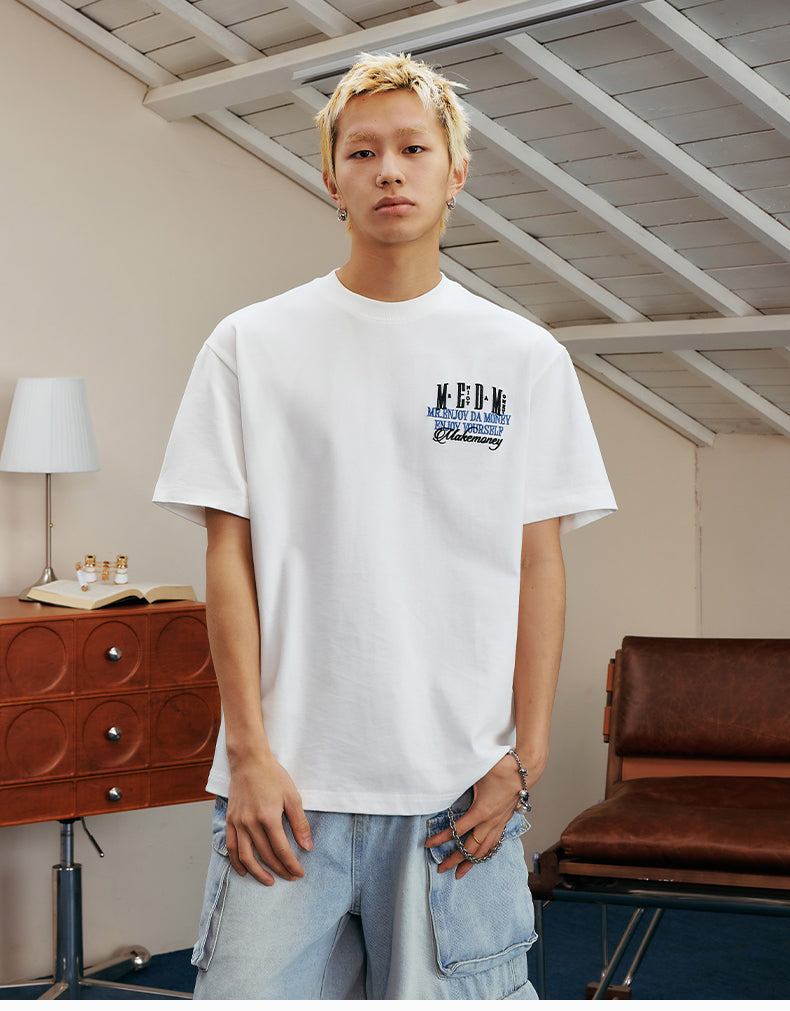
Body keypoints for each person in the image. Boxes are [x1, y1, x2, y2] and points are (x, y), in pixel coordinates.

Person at [153, 52, 616, 1000]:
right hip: (287, 791)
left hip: (458, 793)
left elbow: (539, 565)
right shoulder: (249, 346)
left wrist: (525, 761)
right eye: (362, 152)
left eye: (413, 148)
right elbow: (227, 556)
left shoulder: (523, 357)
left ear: (457, 170)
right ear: (332, 178)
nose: (389, 171)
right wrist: (247, 754)